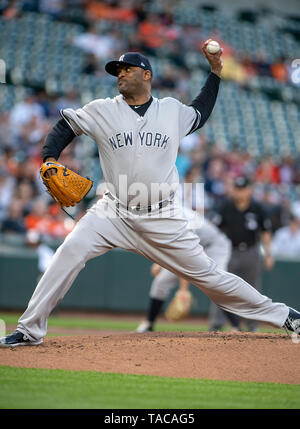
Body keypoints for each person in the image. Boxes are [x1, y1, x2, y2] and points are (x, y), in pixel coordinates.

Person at [1, 42, 299, 348]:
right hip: (114, 212)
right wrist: (50, 157)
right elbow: (66, 124)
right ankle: (29, 329)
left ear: (146, 75)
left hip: (163, 216)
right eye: (117, 71)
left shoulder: (170, 110)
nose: (120, 75)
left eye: (126, 69)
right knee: (69, 252)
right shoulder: (102, 109)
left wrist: (215, 72)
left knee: (211, 277)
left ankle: (286, 316)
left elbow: (201, 110)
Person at [135, 207, 240, 333]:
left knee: (217, 284)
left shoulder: (183, 219)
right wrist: (159, 263)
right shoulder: (162, 219)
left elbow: (185, 259)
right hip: (194, 248)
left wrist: (183, 290)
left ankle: (236, 326)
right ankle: (149, 323)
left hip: (214, 247)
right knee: (161, 282)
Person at [214, 176, 275, 332]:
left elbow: (265, 232)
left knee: (253, 291)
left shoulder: (257, 208)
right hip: (230, 252)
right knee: (220, 288)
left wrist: (268, 254)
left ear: (250, 190)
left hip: (251, 251)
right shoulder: (226, 206)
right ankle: (216, 326)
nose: (240, 193)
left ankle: (253, 327)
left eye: (243, 189)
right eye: (237, 189)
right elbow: (216, 230)